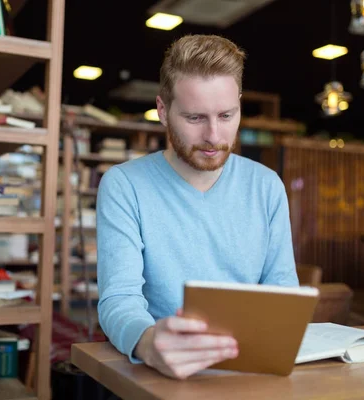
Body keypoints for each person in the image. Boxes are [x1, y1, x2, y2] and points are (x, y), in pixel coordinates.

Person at [95, 34, 299, 380]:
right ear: (163, 111)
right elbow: (119, 298)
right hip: (162, 373)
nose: (214, 136)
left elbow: (284, 292)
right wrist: (147, 343)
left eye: (226, 115)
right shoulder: (124, 184)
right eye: (194, 118)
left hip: (253, 372)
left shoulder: (266, 186)